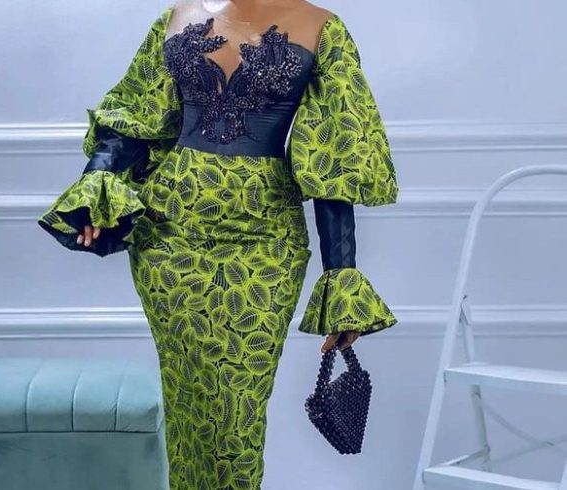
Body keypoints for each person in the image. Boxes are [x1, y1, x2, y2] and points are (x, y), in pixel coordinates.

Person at [38, 1, 399, 487]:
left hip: (265, 243)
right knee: (189, 401)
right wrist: (95, 191)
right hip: (170, 238)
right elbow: (137, 117)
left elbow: (335, 158)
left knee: (238, 411)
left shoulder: (323, 29)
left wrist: (341, 281)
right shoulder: (178, 16)